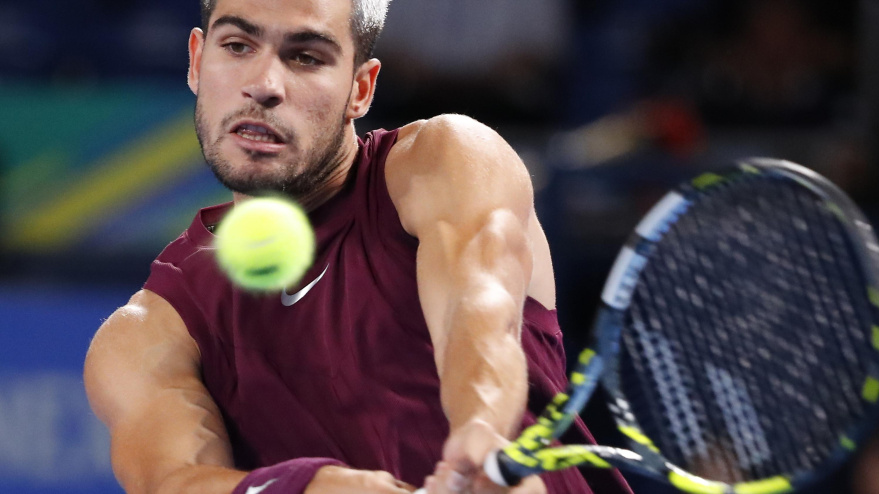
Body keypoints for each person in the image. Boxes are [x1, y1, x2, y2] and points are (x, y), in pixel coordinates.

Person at [83, 1, 633, 493]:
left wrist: (481, 430)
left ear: (360, 90)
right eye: (237, 46)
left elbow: (478, 311)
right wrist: (314, 487)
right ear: (197, 61)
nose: (265, 83)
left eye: (306, 57)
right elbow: (173, 480)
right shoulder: (149, 330)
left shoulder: (447, 162)